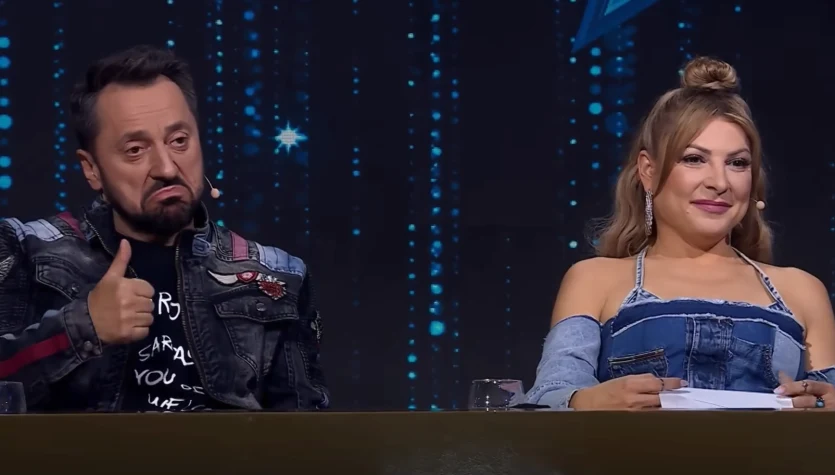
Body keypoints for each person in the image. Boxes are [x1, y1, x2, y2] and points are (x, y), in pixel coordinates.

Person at [0, 45, 329, 412]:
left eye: (178, 141)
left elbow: (305, 430)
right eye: (135, 150)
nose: (167, 168)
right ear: (92, 169)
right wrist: (83, 326)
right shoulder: (26, 251)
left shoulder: (278, 277)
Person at [525, 57, 835, 410]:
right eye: (694, 159)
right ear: (648, 171)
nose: (719, 182)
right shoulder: (595, 280)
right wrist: (589, 401)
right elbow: (548, 398)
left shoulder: (802, 291)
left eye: (737, 163)